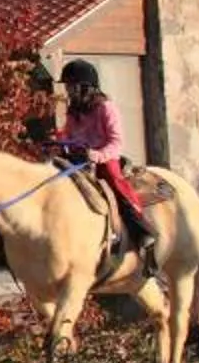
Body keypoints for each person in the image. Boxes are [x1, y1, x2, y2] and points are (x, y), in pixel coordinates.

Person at [48, 59, 153, 253]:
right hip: (78, 159)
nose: (68, 91)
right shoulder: (73, 111)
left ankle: (140, 227)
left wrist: (97, 155)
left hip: (103, 158)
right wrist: (58, 140)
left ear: (85, 87)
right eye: (68, 86)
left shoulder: (106, 108)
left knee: (113, 177)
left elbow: (116, 142)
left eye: (71, 86)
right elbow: (70, 135)